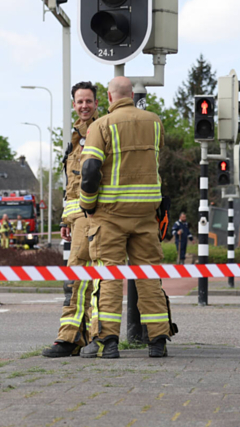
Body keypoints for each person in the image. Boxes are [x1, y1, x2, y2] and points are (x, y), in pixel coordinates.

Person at [79, 76, 176, 359]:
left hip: (109, 215)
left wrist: (88, 205)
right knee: (148, 277)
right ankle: (158, 340)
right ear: (132, 95)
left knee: (108, 277)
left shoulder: (101, 125)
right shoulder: (155, 122)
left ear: (108, 98)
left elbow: (89, 172)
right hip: (147, 213)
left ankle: (108, 342)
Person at [42, 81, 100, 358]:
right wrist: (66, 219)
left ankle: (72, 338)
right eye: (79, 102)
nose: (84, 106)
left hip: (97, 216)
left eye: (88, 101)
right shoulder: (76, 138)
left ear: (97, 103)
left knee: (80, 276)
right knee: (79, 277)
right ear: (74, 104)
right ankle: (82, 337)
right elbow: (72, 185)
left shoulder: (102, 131)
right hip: (78, 219)